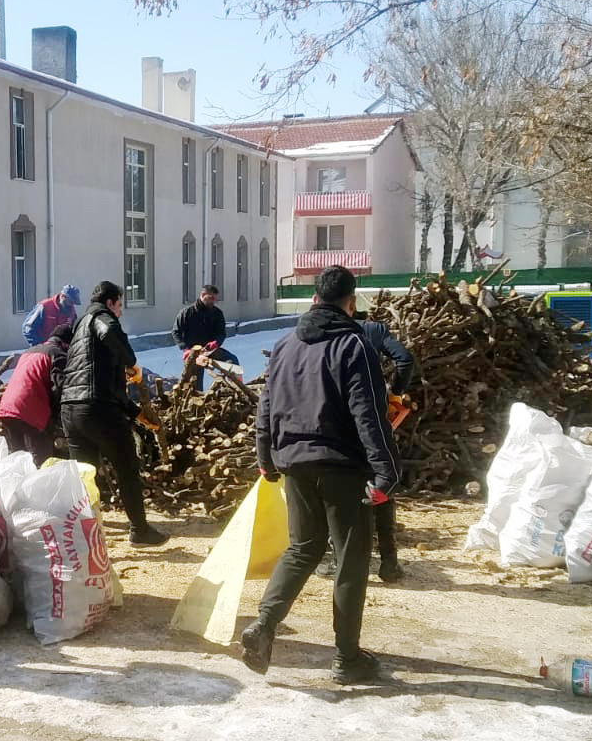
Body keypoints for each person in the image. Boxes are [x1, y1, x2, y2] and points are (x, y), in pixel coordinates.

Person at [243, 266, 401, 684]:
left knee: (302, 549)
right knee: (351, 560)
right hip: (342, 468)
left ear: (314, 299)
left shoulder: (283, 345)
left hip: (293, 462)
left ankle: (263, 626)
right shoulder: (355, 344)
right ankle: (347, 658)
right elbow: (368, 413)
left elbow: (265, 407)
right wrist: (386, 470)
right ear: (351, 302)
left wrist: (266, 458)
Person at [60, 281, 167, 546]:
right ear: (110, 302)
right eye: (120, 305)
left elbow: (100, 384)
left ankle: (83, 537)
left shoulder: (79, 325)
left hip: (70, 409)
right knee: (127, 467)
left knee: (85, 476)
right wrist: (131, 363)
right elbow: (108, 333)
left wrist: (136, 413)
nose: (120, 312)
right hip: (97, 409)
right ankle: (140, 531)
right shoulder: (100, 317)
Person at [358, 312, 415, 583]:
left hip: (343, 419)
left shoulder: (326, 335)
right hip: (377, 415)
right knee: (382, 481)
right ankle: (389, 561)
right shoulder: (373, 330)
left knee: (351, 484)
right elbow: (405, 359)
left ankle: (340, 558)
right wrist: (395, 392)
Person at [0, 323, 73, 465]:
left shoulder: (29, 351)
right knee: (41, 462)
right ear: (67, 344)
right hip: (31, 411)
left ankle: (16, 487)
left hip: (7, 409)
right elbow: (60, 388)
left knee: (17, 461)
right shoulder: (57, 354)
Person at [173, 285, 239, 388]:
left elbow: (221, 333)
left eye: (215, 299)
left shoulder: (217, 313)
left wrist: (216, 342)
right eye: (211, 298)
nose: (213, 302)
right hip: (193, 353)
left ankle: (233, 389)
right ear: (203, 295)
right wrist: (185, 348)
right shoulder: (187, 313)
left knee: (232, 362)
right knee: (195, 385)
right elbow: (176, 332)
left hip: (210, 350)